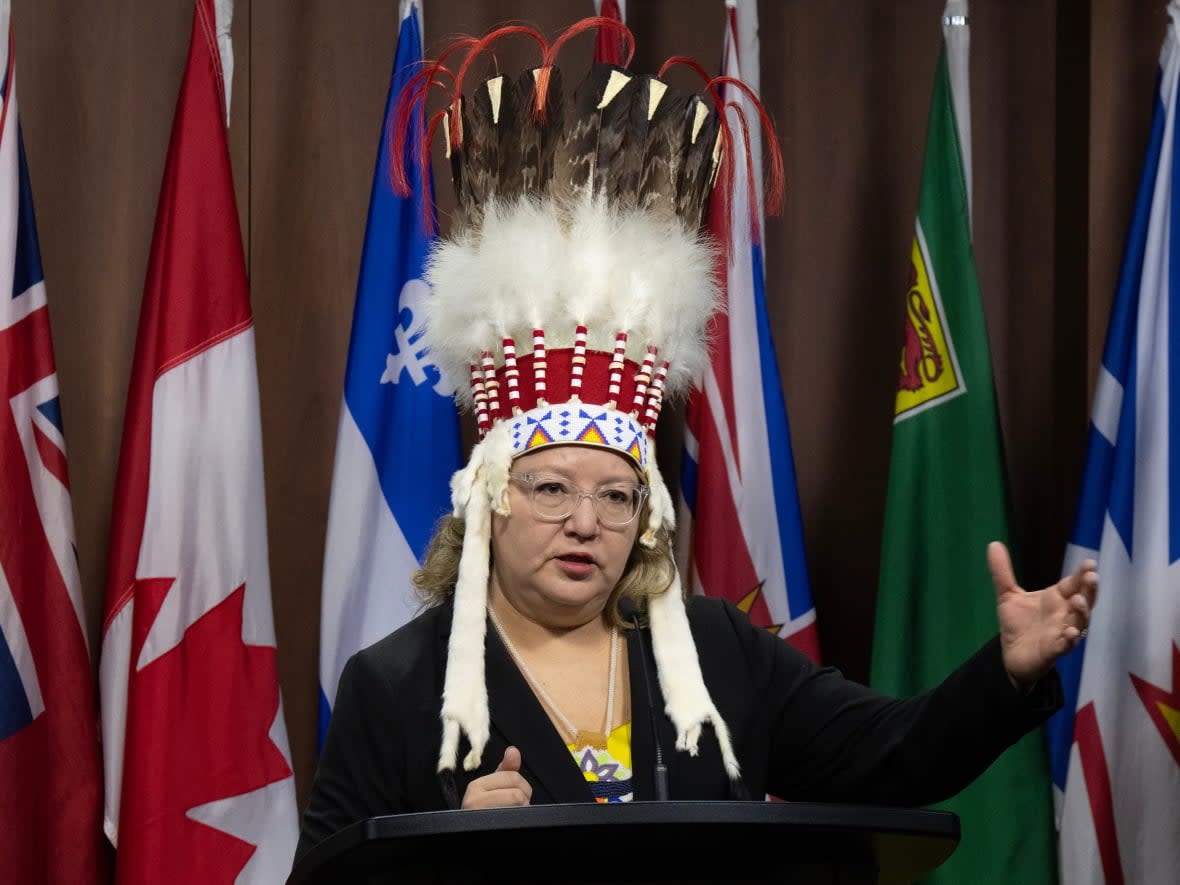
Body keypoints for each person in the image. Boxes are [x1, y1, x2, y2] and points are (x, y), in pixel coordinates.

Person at [294, 15, 1098, 866]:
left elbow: (896, 755)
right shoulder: (394, 688)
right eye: (553, 488)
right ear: (490, 498)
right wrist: (437, 853)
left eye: (616, 495)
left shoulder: (721, 651)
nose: (586, 522)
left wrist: (1006, 669)